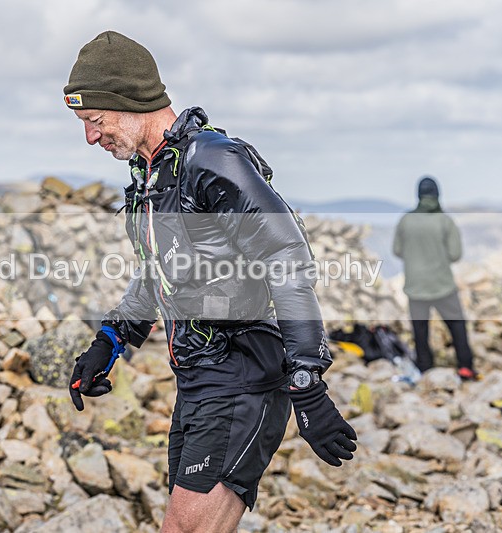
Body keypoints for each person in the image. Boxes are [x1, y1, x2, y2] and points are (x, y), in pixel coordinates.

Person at [63, 31, 357, 532]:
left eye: (96, 120)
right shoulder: (154, 174)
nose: (91, 137)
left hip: (244, 372)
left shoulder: (212, 160)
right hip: (198, 377)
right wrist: (110, 340)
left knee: (185, 529)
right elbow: (160, 271)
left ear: (130, 103)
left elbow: (286, 254)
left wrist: (307, 382)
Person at [393, 175, 478, 381]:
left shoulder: (406, 220)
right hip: (442, 285)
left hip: (415, 286)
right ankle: (465, 367)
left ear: (418, 195)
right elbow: (455, 254)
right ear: (437, 194)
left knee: (420, 329)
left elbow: (397, 250)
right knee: (456, 325)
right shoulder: (445, 221)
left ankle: (425, 368)